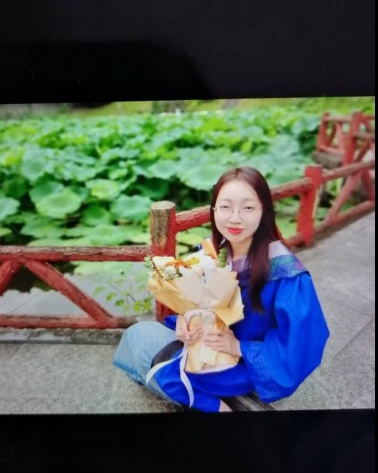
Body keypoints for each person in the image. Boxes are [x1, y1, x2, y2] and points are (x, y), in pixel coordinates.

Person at [113, 166, 330, 412]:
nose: (235, 218)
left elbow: (302, 345)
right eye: (225, 207)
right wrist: (186, 319)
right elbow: (198, 302)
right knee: (138, 332)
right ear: (214, 210)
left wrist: (238, 347)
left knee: (152, 358)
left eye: (248, 208)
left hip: (246, 367)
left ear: (264, 212)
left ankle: (216, 407)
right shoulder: (213, 253)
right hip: (205, 350)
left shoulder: (286, 275)